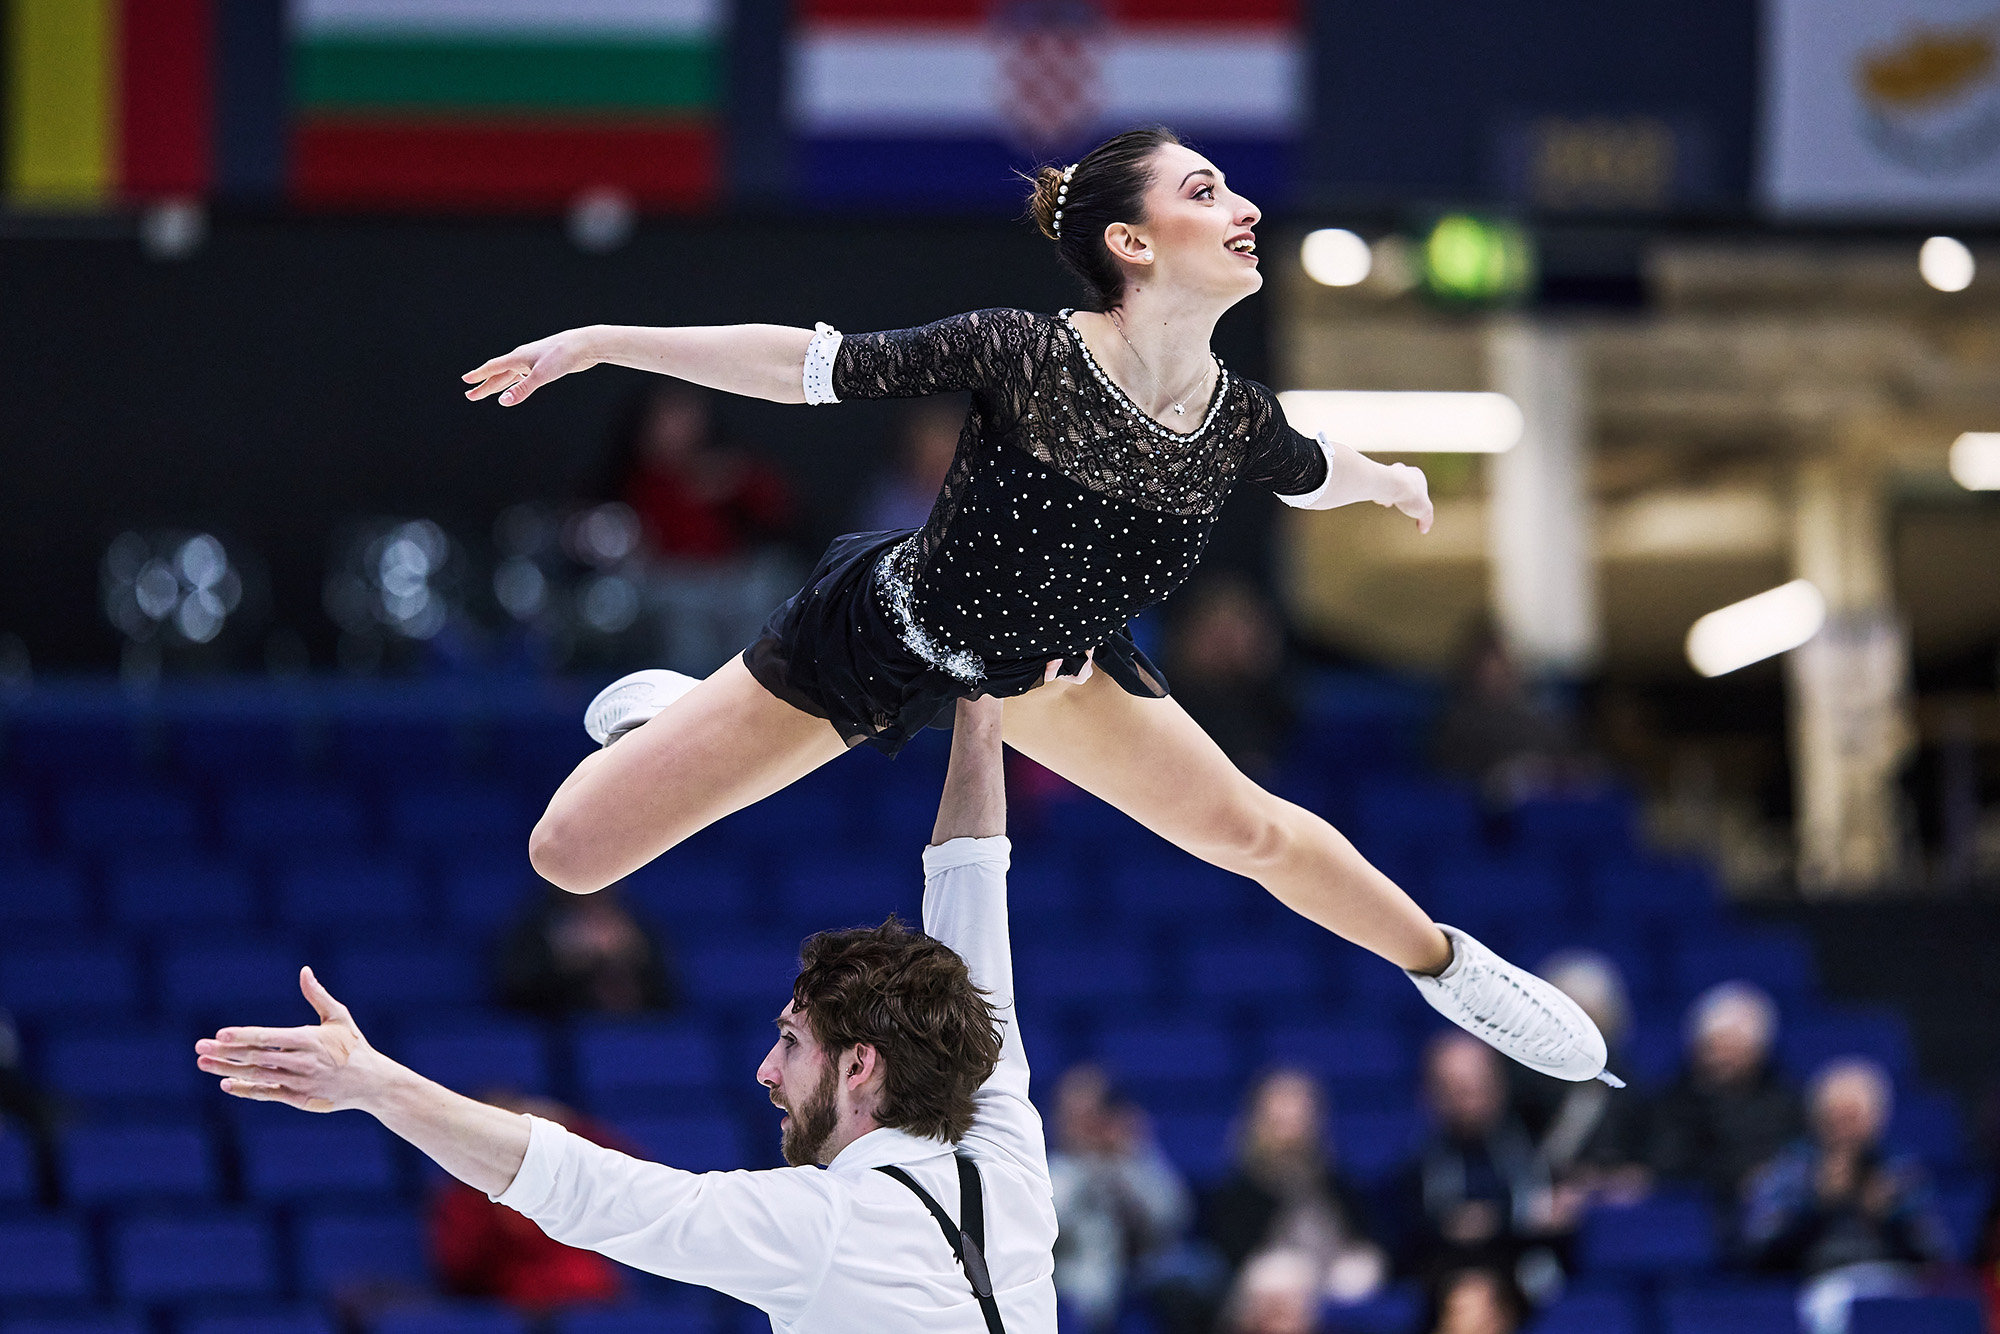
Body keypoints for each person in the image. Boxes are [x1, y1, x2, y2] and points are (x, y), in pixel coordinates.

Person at [460, 125, 1613, 1088]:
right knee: (568, 855)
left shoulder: (1238, 421)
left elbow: (1319, 464)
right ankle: (678, 716)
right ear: (1131, 241)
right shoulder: (1022, 353)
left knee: (1246, 828)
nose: (1243, 204)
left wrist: (1393, 480)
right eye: (1205, 190)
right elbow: (804, 364)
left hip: (1049, 673)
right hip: (878, 634)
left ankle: (1453, 968)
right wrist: (609, 342)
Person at [194, 694, 1056, 1332]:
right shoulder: (1003, 1149)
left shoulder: (822, 1226)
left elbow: (583, 1189)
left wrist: (374, 1085)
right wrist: (984, 702)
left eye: (791, 1044)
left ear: (859, 1065)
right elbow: (972, 885)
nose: (765, 1070)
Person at [1742, 1058, 1953, 1334]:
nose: (1845, 1131)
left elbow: (1935, 1255)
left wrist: (1889, 1216)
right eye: (1835, 1119)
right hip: (1816, 1286)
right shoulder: (1791, 1170)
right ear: (1817, 1119)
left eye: (1853, 1118)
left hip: (1894, 1284)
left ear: (1876, 1119)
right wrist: (1818, 1206)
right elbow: (1759, 1254)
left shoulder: (1900, 1170)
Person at [1386, 1035, 1570, 1304]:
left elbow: (1556, 1215)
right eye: (1455, 1088)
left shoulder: (1536, 1149)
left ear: (1499, 1086)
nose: (1468, 1100)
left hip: (1529, 1286)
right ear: (1432, 1095)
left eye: (1478, 1086)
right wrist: (1520, 1217)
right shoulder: (1415, 1170)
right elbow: (1437, 1227)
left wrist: (1492, 1220)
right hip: (1448, 1291)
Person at [429, 1093, 625, 1312]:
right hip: (505, 1305)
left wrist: (566, 1127)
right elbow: (462, 1271)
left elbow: (620, 1181)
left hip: (584, 1298)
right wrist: (501, 1221)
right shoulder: (466, 1199)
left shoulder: (564, 1175)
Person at [1202, 1069, 1385, 1304]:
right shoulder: (1241, 1185)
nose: (1290, 1128)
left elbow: (1362, 1233)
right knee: (1280, 1274)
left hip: (1331, 1267)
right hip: (1273, 1270)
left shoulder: (1332, 1177)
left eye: (1298, 1117)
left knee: (1360, 1271)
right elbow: (1237, 1251)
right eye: (1280, 1120)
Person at [1046, 1064, 1191, 1329]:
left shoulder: (1136, 1159)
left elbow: (1172, 1217)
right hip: (1075, 1282)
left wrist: (1128, 1158)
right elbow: (1050, 1226)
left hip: (1142, 1279)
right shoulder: (1052, 1169)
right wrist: (1088, 1165)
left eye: (1092, 1113)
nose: (1083, 1123)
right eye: (1074, 1113)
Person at [1649, 982, 1803, 1211]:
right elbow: (1668, 1163)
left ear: (1758, 1052)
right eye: (1711, 1048)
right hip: (1690, 1212)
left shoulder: (1786, 1102)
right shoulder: (1673, 1099)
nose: (1718, 1059)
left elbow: (1792, 1162)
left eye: (1731, 1049)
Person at [1512, 952, 1649, 1204]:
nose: (1580, 1032)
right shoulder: (1522, 1081)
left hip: (1612, 1197)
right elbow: (1517, 1150)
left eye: (1591, 1019)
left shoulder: (1625, 1079)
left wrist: (1629, 1171)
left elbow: (1644, 1145)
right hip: (1548, 1196)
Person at [1163, 576, 1296, 777]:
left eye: (1238, 625)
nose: (1225, 641)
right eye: (1212, 624)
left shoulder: (1290, 713)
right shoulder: (1158, 703)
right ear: (1182, 635)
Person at [496, 883, 678, 1017]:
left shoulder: (633, 924)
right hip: (565, 1027)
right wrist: (570, 962)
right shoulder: (536, 928)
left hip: (638, 1030)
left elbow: (669, 989)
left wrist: (634, 954)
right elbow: (517, 990)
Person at [861, 400, 965, 533]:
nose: (937, 469)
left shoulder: (980, 495)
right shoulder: (889, 503)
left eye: (946, 455)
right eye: (930, 458)